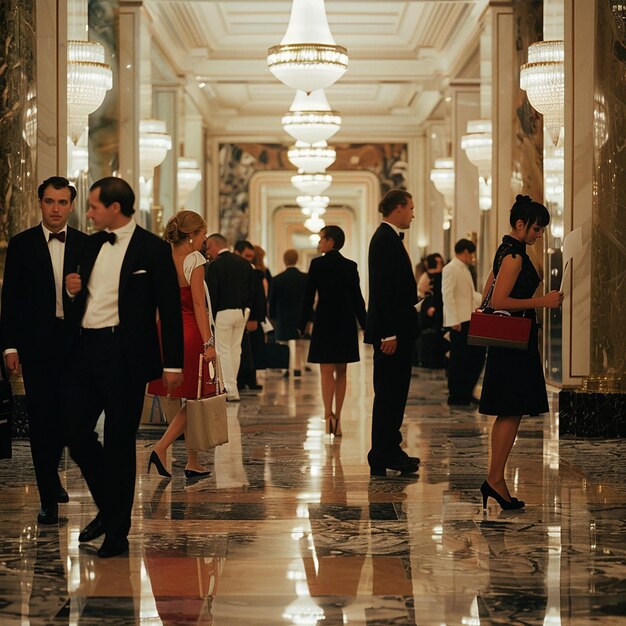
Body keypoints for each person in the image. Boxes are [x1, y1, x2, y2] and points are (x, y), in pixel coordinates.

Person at [64, 177, 183, 558]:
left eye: (94, 206)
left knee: (118, 442)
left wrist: (174, 364)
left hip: (126, 354)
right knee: (74, 430)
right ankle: (110, 508)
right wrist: (71, 290)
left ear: (115, 208)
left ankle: (117, 531)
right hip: (87, 349)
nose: (89, 213)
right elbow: (83, 296)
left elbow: (169, 309)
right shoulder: (92, 243)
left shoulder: (152, 249)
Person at [0, 176, 88, 525]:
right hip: (36, 344)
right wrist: (9, 345)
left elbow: (97, 300)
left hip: (76, 345)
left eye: (62, 202)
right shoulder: (21, 245)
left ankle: (52, 477)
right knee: (40, 418)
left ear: (71, 205)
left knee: (70, 418)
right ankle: (47, 496)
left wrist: (75, 293)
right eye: (50, 201)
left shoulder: (84, 245)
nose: (55, 208)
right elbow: (11, 300)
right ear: (40, 203)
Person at [479, 194, 563, 510]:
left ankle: (495, 478)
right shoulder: (514, 257)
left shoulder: (506, 251)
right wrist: (542, 301)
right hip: (513, 340)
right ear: (520, 224)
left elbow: (489, 291)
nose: (539, 235)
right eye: (537, 229)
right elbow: (498, 301)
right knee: (509, 409)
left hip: (511, 341)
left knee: (510, 410)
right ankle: (494, 479)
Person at [147, 211, 216, 479]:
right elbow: (199, 305)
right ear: (191, 236)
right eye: (202, 234)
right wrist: (208, 342)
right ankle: (161, 448)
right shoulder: (194, 259)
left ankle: (192, 461)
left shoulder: (162, 257)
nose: (204, 239)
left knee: (182, 397)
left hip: (165, 329)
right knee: (197, 398)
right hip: (189, 330)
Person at [364, 190, 420, 476]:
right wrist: (387, 333)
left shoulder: (388, 238)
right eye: (410, 208)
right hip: (392, 332)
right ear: (397, 209)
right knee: (389, 395)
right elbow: (383, 290)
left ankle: (390, 448)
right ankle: (383, 453)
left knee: (395, 394)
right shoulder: (385, 240)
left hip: (399, 329)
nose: (413, 213)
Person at [299, 226, 366, 437]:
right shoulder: (350, 266)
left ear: (330, 241)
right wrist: (366, 325)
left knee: (326, 371)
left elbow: (309, 296)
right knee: (342, 371)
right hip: (345, 321)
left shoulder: (317, 264)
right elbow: (357, 298)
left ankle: (328, 416)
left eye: (321, 239)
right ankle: (339, 418)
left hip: (325, 320)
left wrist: (302, 323)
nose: (318, 244)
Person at [204, 233, 254, 402]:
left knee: (223, 350)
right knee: (235, 350)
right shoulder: (244, 264)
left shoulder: (215, 265)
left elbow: (212, 293)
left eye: (208, 246)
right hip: (241, 312)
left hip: (223, 312)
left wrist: (210, 316)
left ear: (213, 245)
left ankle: (229, 389)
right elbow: (251, 290)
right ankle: (233, 386)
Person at [442, 238, 485, 405]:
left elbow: (470, 293)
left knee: (473, 357)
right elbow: (448, 295)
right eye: (471, 254)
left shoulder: (465, 269)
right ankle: (457, 395)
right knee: (459, 360)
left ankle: (466, 392)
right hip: (459, 322)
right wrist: (454, 320)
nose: (472, 257)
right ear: (466, 252)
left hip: (470, 318)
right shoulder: (450, 269)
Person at [270, 249, 308, 377]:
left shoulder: (277, 279)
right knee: (299, 342)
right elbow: (309, 298)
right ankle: (298, 367)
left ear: (284, 260)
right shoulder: (305, 278)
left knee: (283, 343)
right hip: (300, 315)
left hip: (283, 315)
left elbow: (272, 300)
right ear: (297, 259)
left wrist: (272, 317)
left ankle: (285, 368)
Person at [234, 240, 265, 392]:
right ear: (237, 253)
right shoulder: (233, 269)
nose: (249, 260)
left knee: (250, 349)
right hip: (237, 315)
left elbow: (258, 297)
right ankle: (240, 379)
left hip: (250, 316)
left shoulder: (254, 272)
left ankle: (250, 378)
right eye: (246, 256)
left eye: (251, 257)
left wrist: (255, 318)